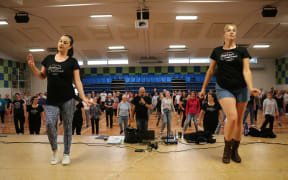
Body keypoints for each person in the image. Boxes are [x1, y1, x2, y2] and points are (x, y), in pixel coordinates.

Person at [200, 24, 260, 164]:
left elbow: (247, 70)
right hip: (224, 87)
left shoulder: (242, 51)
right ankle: (227, 149)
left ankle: (235, 150)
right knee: (232, 118)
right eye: (228, 30)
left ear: (236, 34)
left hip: (242, 88)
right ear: (224, 35)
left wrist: (251, 88)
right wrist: (203, 89)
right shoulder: (217, 51)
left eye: (234, 30)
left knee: (239, 121)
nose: (231, 32)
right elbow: (210, 71)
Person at [27, 34, 91, 165]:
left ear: (70, 46)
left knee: (68, 127)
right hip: (51, 100)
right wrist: (33, 66)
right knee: (50, 124)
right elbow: (41, 76)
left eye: (65, 42)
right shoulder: (49, 59)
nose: (61, 43)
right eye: (60, 41)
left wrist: (83, 97)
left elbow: (77, 81)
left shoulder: (72, 62)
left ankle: (66, 153)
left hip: (68, 99)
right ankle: (55, 151)